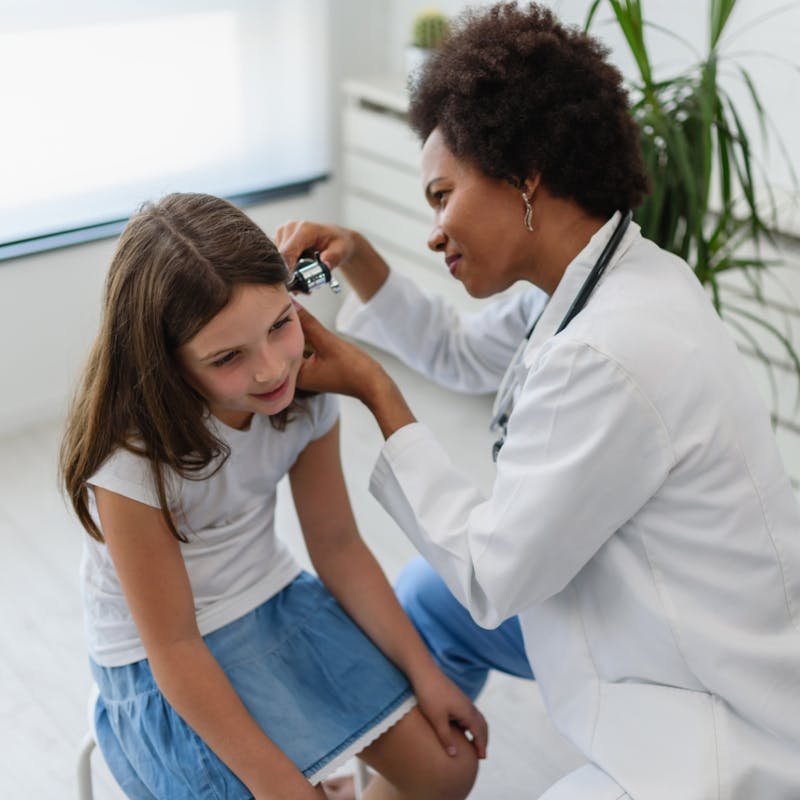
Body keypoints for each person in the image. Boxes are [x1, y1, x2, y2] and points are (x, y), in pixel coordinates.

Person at [274, 3, 800, 798]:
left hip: (713, 699)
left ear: (525, 174)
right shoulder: (614, 276)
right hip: (640, 603)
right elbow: (461, 351)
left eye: (442, 196)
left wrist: (375, 391)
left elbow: (493, 577)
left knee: (462, 598)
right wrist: (363, 261)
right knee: (422, 601)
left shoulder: (607, 351)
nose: (435, 230)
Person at [59, 192, 487, 800]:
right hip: (164, 658)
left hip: (272, 600)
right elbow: (174, 648)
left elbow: (338, 547)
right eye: (228, 357)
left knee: (450, 768)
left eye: (280, 325)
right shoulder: (130, 458)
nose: (269, 371)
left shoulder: (303, 396)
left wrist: (428, 678)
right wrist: (279, 783)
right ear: (166, 364)